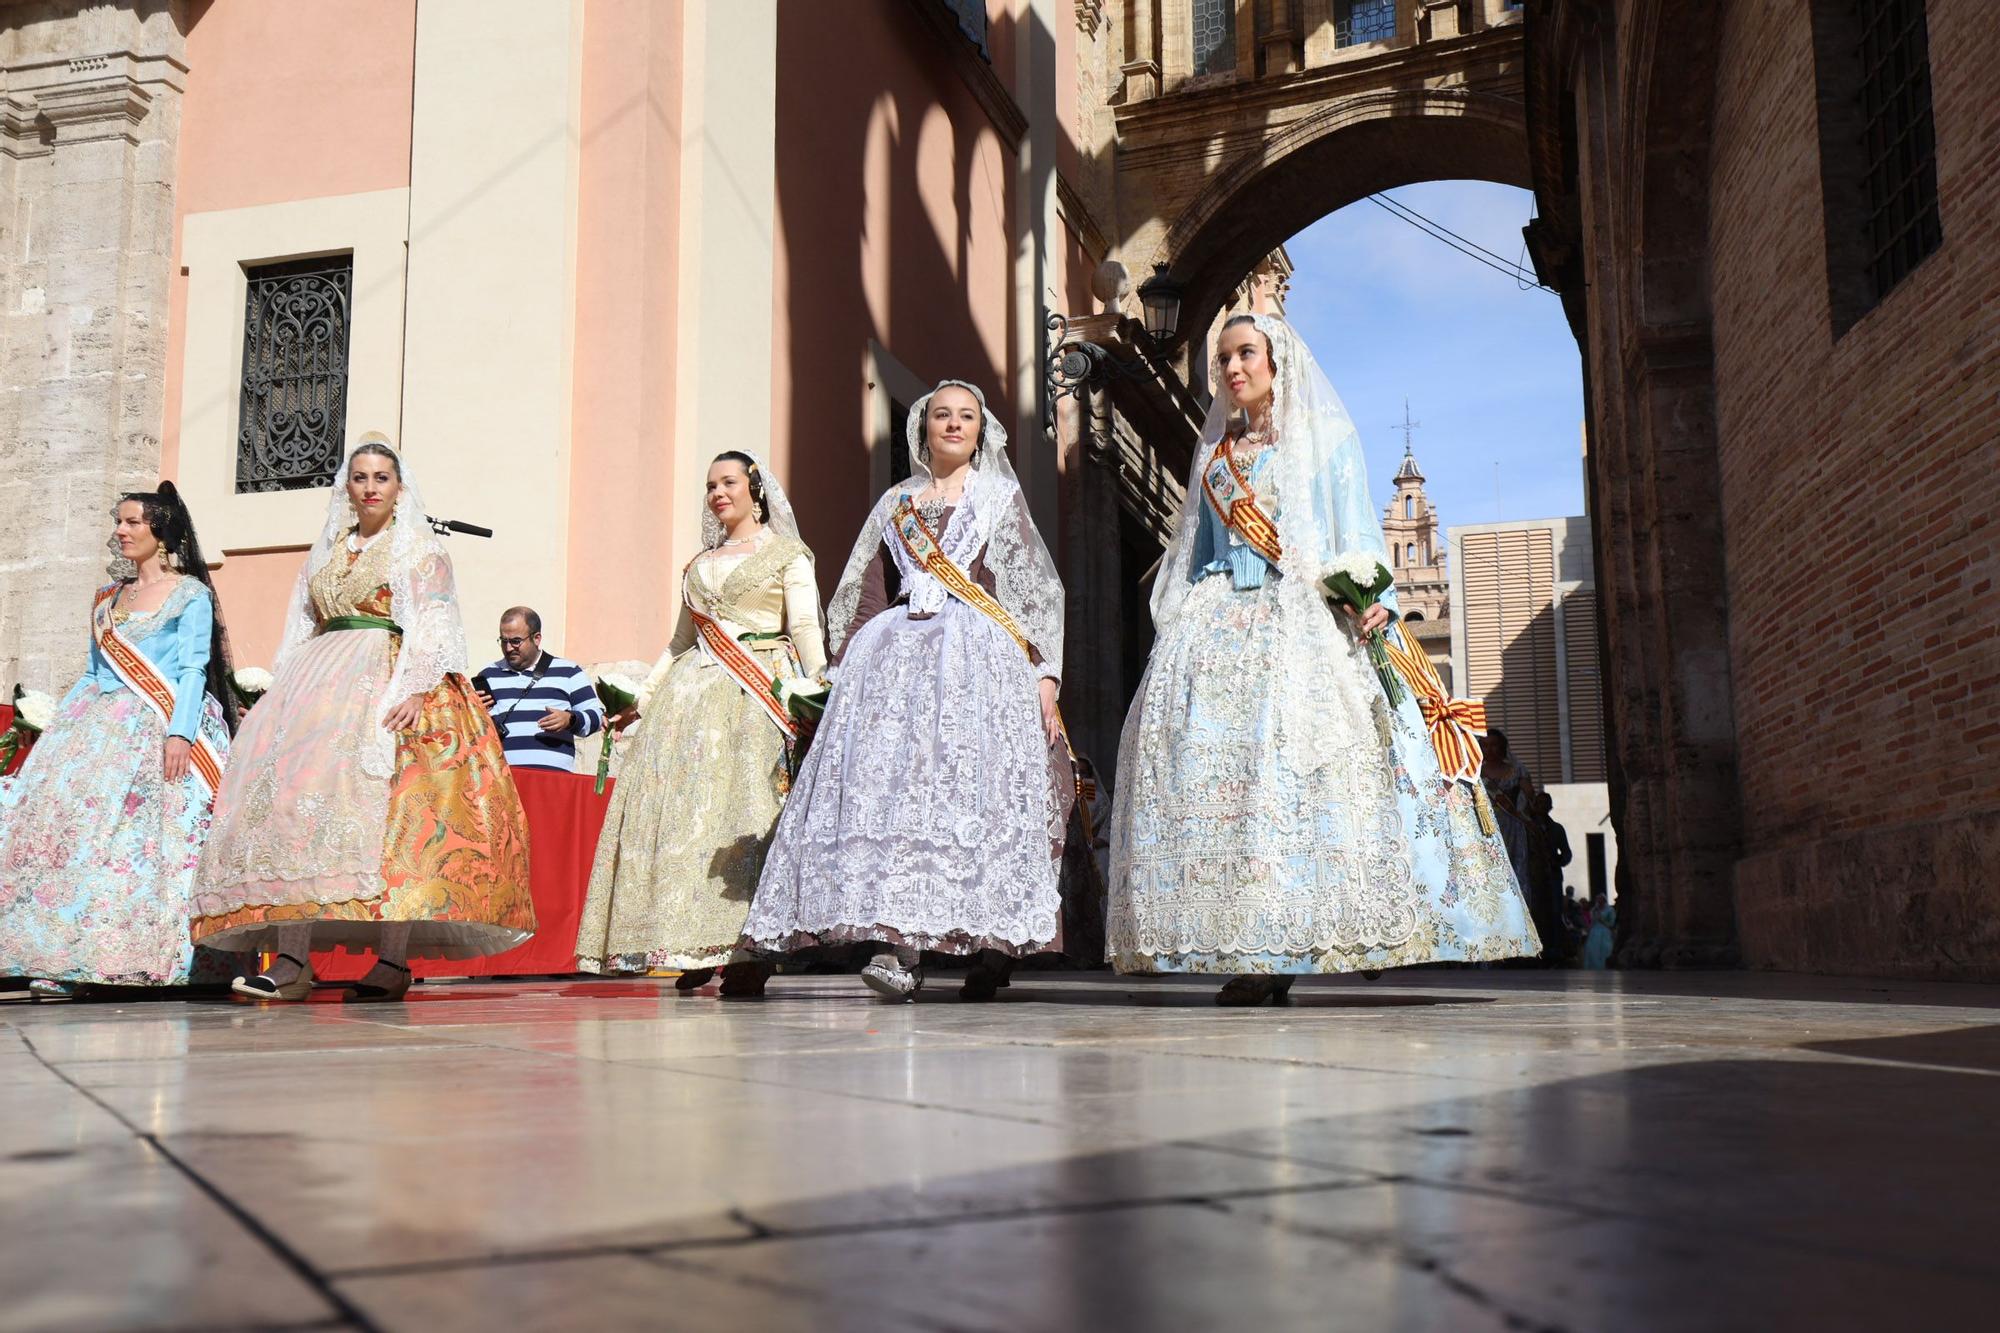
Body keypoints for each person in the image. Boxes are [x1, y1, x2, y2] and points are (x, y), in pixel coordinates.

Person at [1106, 313, 1538, 1004]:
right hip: (1219, 625)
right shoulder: (1213, 457)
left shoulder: (1326, 440)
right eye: (1223, 359)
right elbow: (1192, 555)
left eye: (1246, 353)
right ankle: (1247, 943)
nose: (1233, 369)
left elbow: (1356, 533)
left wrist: (1371, 598)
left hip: (1298, 622)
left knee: (1295, 779)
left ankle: (1306, 939)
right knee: (1228, 787)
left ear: (1277, 361)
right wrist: (1178, 628)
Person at [740, 380, 1072, 1002]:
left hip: (977, 663)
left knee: (975, 794)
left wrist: (1044, 674)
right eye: (942, 415)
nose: (953, 425)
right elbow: (867, 587)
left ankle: (993, 950)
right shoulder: (895, 502)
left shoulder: (1000, 498)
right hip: (894, 661)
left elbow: (1032, 589)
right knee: (896, 798)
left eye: (965, 417)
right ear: (922, 428)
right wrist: (840, 669)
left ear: (980, 431)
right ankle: (901, 950)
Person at [190, 435, 534, 1001]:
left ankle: (392, 962)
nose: (370, 487)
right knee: (297, 810)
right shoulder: (325, 552)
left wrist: (417, 690)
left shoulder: (418, 550)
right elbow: (301, 625)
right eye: (360, 477)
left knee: (398, 820)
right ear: (345, 487)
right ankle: (293, 960)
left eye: (381, 478)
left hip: (391, 678)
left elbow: (435, 624)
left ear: (399, 490)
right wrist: (278, 694)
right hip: (318, 685)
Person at [574, 451, 824, 996]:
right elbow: (679, 642)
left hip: (756, 697)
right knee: (688, 822)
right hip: (687, 704)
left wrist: (819, 685)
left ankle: (745, 949)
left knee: (741, 818)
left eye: (728, 482)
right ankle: (691, 940)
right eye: (710, 485)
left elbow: (804, 625)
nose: (717, 492)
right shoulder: (698, 565)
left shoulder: (786, 555)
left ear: (754, 490)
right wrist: (641, 698)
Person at [0, 484, 239, 1001]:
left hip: (160, 722)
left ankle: (140, 957)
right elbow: (93, 671)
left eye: (133, 522)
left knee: (140, 841)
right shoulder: (107, 599)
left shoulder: (189, 593)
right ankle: (61, 954)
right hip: (95, 725)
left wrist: (180, 731)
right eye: (120, 522)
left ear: (161, 531)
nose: (121, 531)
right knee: (72, 830)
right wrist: (63, 734)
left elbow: (194, 668)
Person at [474, 606, 605, 771]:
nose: (508, 648)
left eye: (515, 641)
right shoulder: (488, 675)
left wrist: (570, 719)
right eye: (503, 641)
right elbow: (474, 732)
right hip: (503, 783)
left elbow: (597, 717)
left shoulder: (569, 671)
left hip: (552, 781)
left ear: (536, 638)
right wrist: (474, 712)